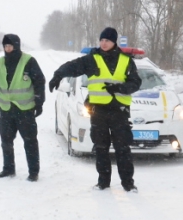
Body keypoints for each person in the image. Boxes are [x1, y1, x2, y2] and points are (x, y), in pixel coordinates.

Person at [48, 27, 142, 191]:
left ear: (114, 42)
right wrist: (58, 75)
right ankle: (103, 183)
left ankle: (128, 184)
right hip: (99, 111)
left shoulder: (126, 61)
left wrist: (120, 88)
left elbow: (135, 83)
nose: (104, 43)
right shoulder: (92, 59)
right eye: (102, 40)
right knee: (101, 148)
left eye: (108, 41)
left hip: (119, 111)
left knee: (123, 149)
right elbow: (73, 66)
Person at [0, 34, 45, 181]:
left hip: (25, 110)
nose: (7, 49)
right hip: (6, 110)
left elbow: (39, 81)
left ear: (17, 46)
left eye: (10, 46)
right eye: (5, 46)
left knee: (30, 141)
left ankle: (33, 172)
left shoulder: (28, 61)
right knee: (6, 141)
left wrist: (39, 102)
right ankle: (8, 169)